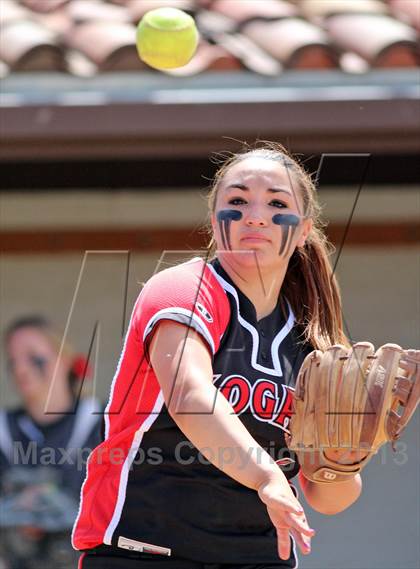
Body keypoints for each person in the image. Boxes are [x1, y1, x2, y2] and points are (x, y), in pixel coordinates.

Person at [73, 142, 362, 569]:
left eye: (277, 203)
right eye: (238, 201)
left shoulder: (312, 341)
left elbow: (327, 498)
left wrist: (344, 460)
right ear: (215, 223)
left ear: (303, 230)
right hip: (144, 549)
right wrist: (266, 477)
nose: (256, 215)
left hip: (257, 557)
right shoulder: (184, 289)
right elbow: (191, 397)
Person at [0, 316, 102, 569]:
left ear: (64, 359)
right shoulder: (4, 429)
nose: (21, 370)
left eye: (34, 357)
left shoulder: (101, 424)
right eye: (13, 362)